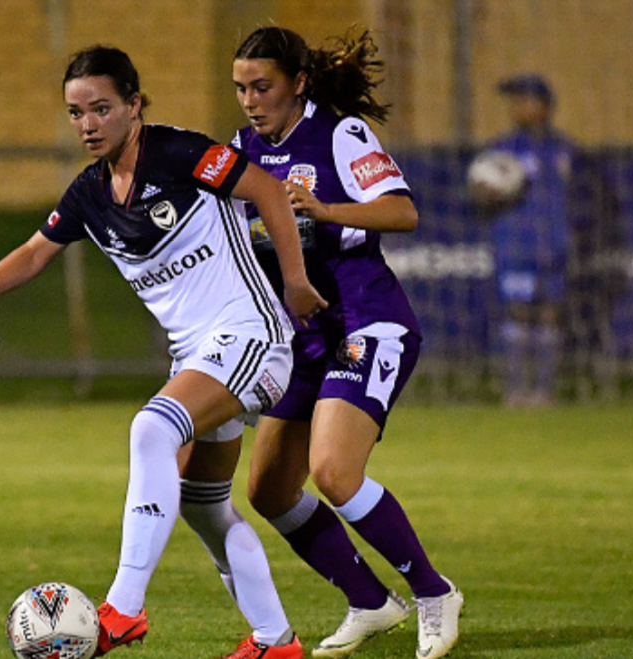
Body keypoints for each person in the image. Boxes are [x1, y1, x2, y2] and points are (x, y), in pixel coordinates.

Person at [0, 45, 327, 659]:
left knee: (151, 429)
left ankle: (124, 608)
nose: (88, 124)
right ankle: (276, 641)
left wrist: (296, 282)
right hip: (198, 357)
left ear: (134, 104)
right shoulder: (90, 192)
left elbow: (271, 192)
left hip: (251, 337)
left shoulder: (179, 153)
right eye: (75, 112)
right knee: (203, 506)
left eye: (102, 108)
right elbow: (37, 252)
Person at [228, 26, 463, 659]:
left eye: (263, 87)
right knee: (269, 491)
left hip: (365, 321)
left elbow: (402, 211)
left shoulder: (340, 135)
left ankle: (434, 592)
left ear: (298, 83)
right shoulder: (241, 149)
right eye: (241, 89)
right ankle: (369, 601)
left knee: (334, 471)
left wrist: (326, 210)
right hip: (298, 337)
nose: (251, 101)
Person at [476, 73, 575, 407]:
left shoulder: (563, 149)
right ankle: (516, 391)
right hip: (514, 245)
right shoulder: (502, 149)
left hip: (553, 246)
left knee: (549, 314)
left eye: (523, 99)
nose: (516, 107)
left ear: (543, 105)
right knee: (517, 313)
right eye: (513, 101)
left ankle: (544, 392)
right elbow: (479, 192)